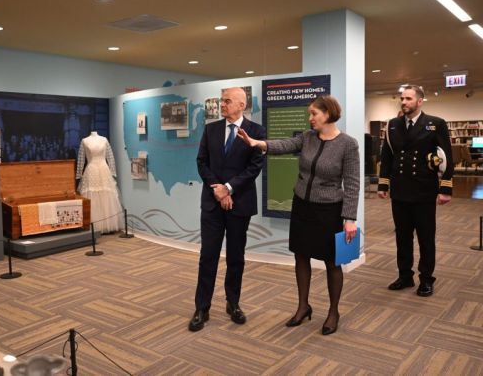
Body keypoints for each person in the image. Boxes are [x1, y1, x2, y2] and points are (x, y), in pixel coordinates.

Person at [238, 95, 359, 335]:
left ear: (328, 114)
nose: (310, 118)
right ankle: (303, 306)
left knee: (332, 262)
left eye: (314, 113)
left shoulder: (348, 144)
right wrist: (257, 143)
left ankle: (333, 312)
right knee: (301, 256)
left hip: (329, 209)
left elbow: (353, 183)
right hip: (302, 205)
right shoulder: (307, 137)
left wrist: (350, 219)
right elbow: (284, 145)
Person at [189, 87, 265, 332]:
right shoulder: (211, 129)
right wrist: (218, 189)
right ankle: (202, 307)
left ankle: (233, 303)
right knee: (208, 256)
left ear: (242, 105)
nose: (222, 104)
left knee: (236, 257)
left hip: (239, 203)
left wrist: (229, 188)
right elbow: (202, 162)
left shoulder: (256, 132)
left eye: (227, 101)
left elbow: (254, 167)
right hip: (212, 203)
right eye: (222, 101)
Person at [377, 85, 453, 297]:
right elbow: (387, 157)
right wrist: (383, 184)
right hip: (400, 190)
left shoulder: (435, 124)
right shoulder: (392, 125)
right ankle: (405, 276)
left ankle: (426, 279)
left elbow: (447, 157)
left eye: (408, 99)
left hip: (424, 190)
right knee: (402, 237)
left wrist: (445, 188)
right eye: (402, 98)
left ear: (420, 101)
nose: (404, 102)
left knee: (425, 238)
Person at [76, 131, 123, 233]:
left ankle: (108, 225)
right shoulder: (84, 141)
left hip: (104, 170)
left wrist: (112, 171)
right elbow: (81, 159)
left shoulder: (104, 140)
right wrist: (79, 173)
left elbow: (110, 157)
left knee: (106, 195)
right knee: (91, 196)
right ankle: (94, 226)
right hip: (91, 170)